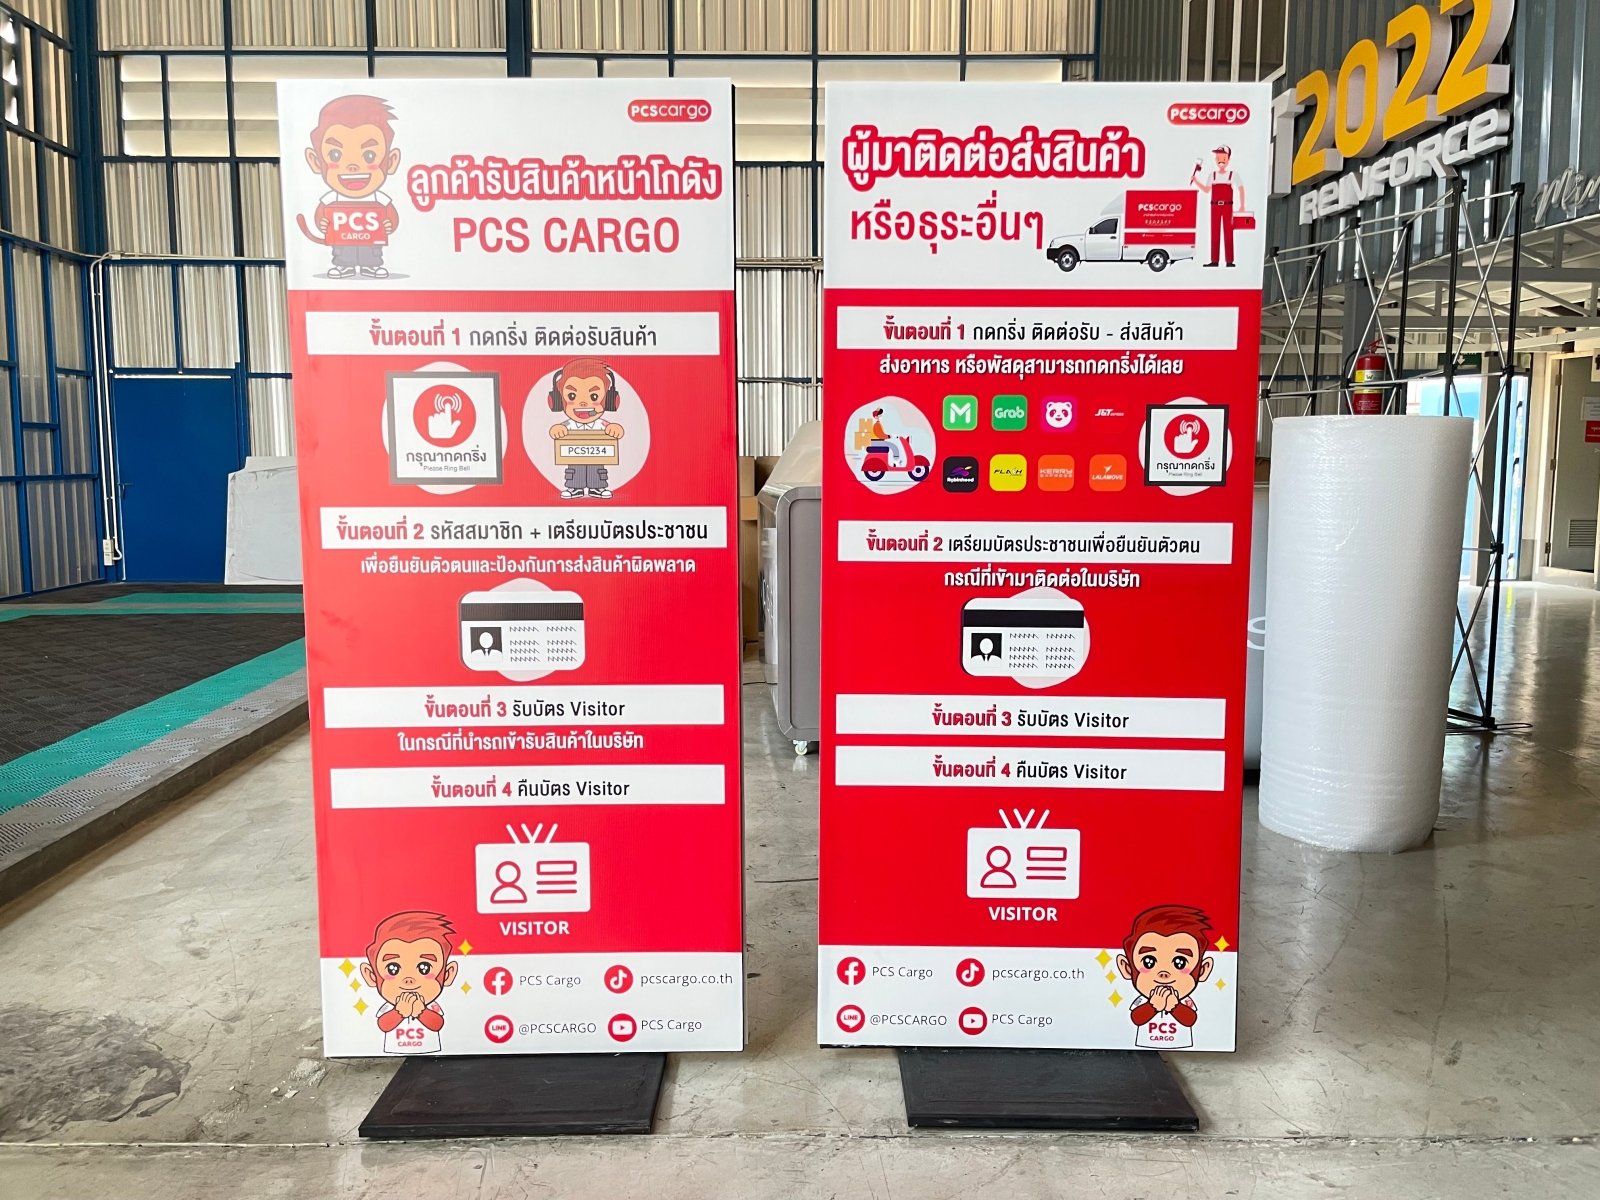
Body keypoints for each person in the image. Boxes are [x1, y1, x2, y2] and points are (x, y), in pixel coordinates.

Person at [302, 95, 402, 279]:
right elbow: (321, 214)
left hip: (371, 241)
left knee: (371, 251)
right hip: (342, 240)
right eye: (335, 155)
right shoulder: (331, 198)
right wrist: (322, 223)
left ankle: (370, 266)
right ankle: (344, 266)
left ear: (391, 161)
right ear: (315, 161)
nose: (352, 166)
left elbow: (391, 215)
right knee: (343, 251)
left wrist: (390, 225)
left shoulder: (379, 198)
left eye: (369, 156)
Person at [1191, 145, 1243, 268]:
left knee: (1228, 233)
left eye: (1223, 157)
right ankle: (1214, 260)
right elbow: (1206, 189)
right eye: (1218, 157)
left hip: (1227, 206)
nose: (1220, 160)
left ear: (1228, 159)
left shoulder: (1232, 175)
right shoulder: (1212, 175)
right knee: (1214, 233)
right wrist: (1196, 181)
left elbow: (1240, 189)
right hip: (1214, 206)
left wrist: (1242, 205)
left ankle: (1229, 261)